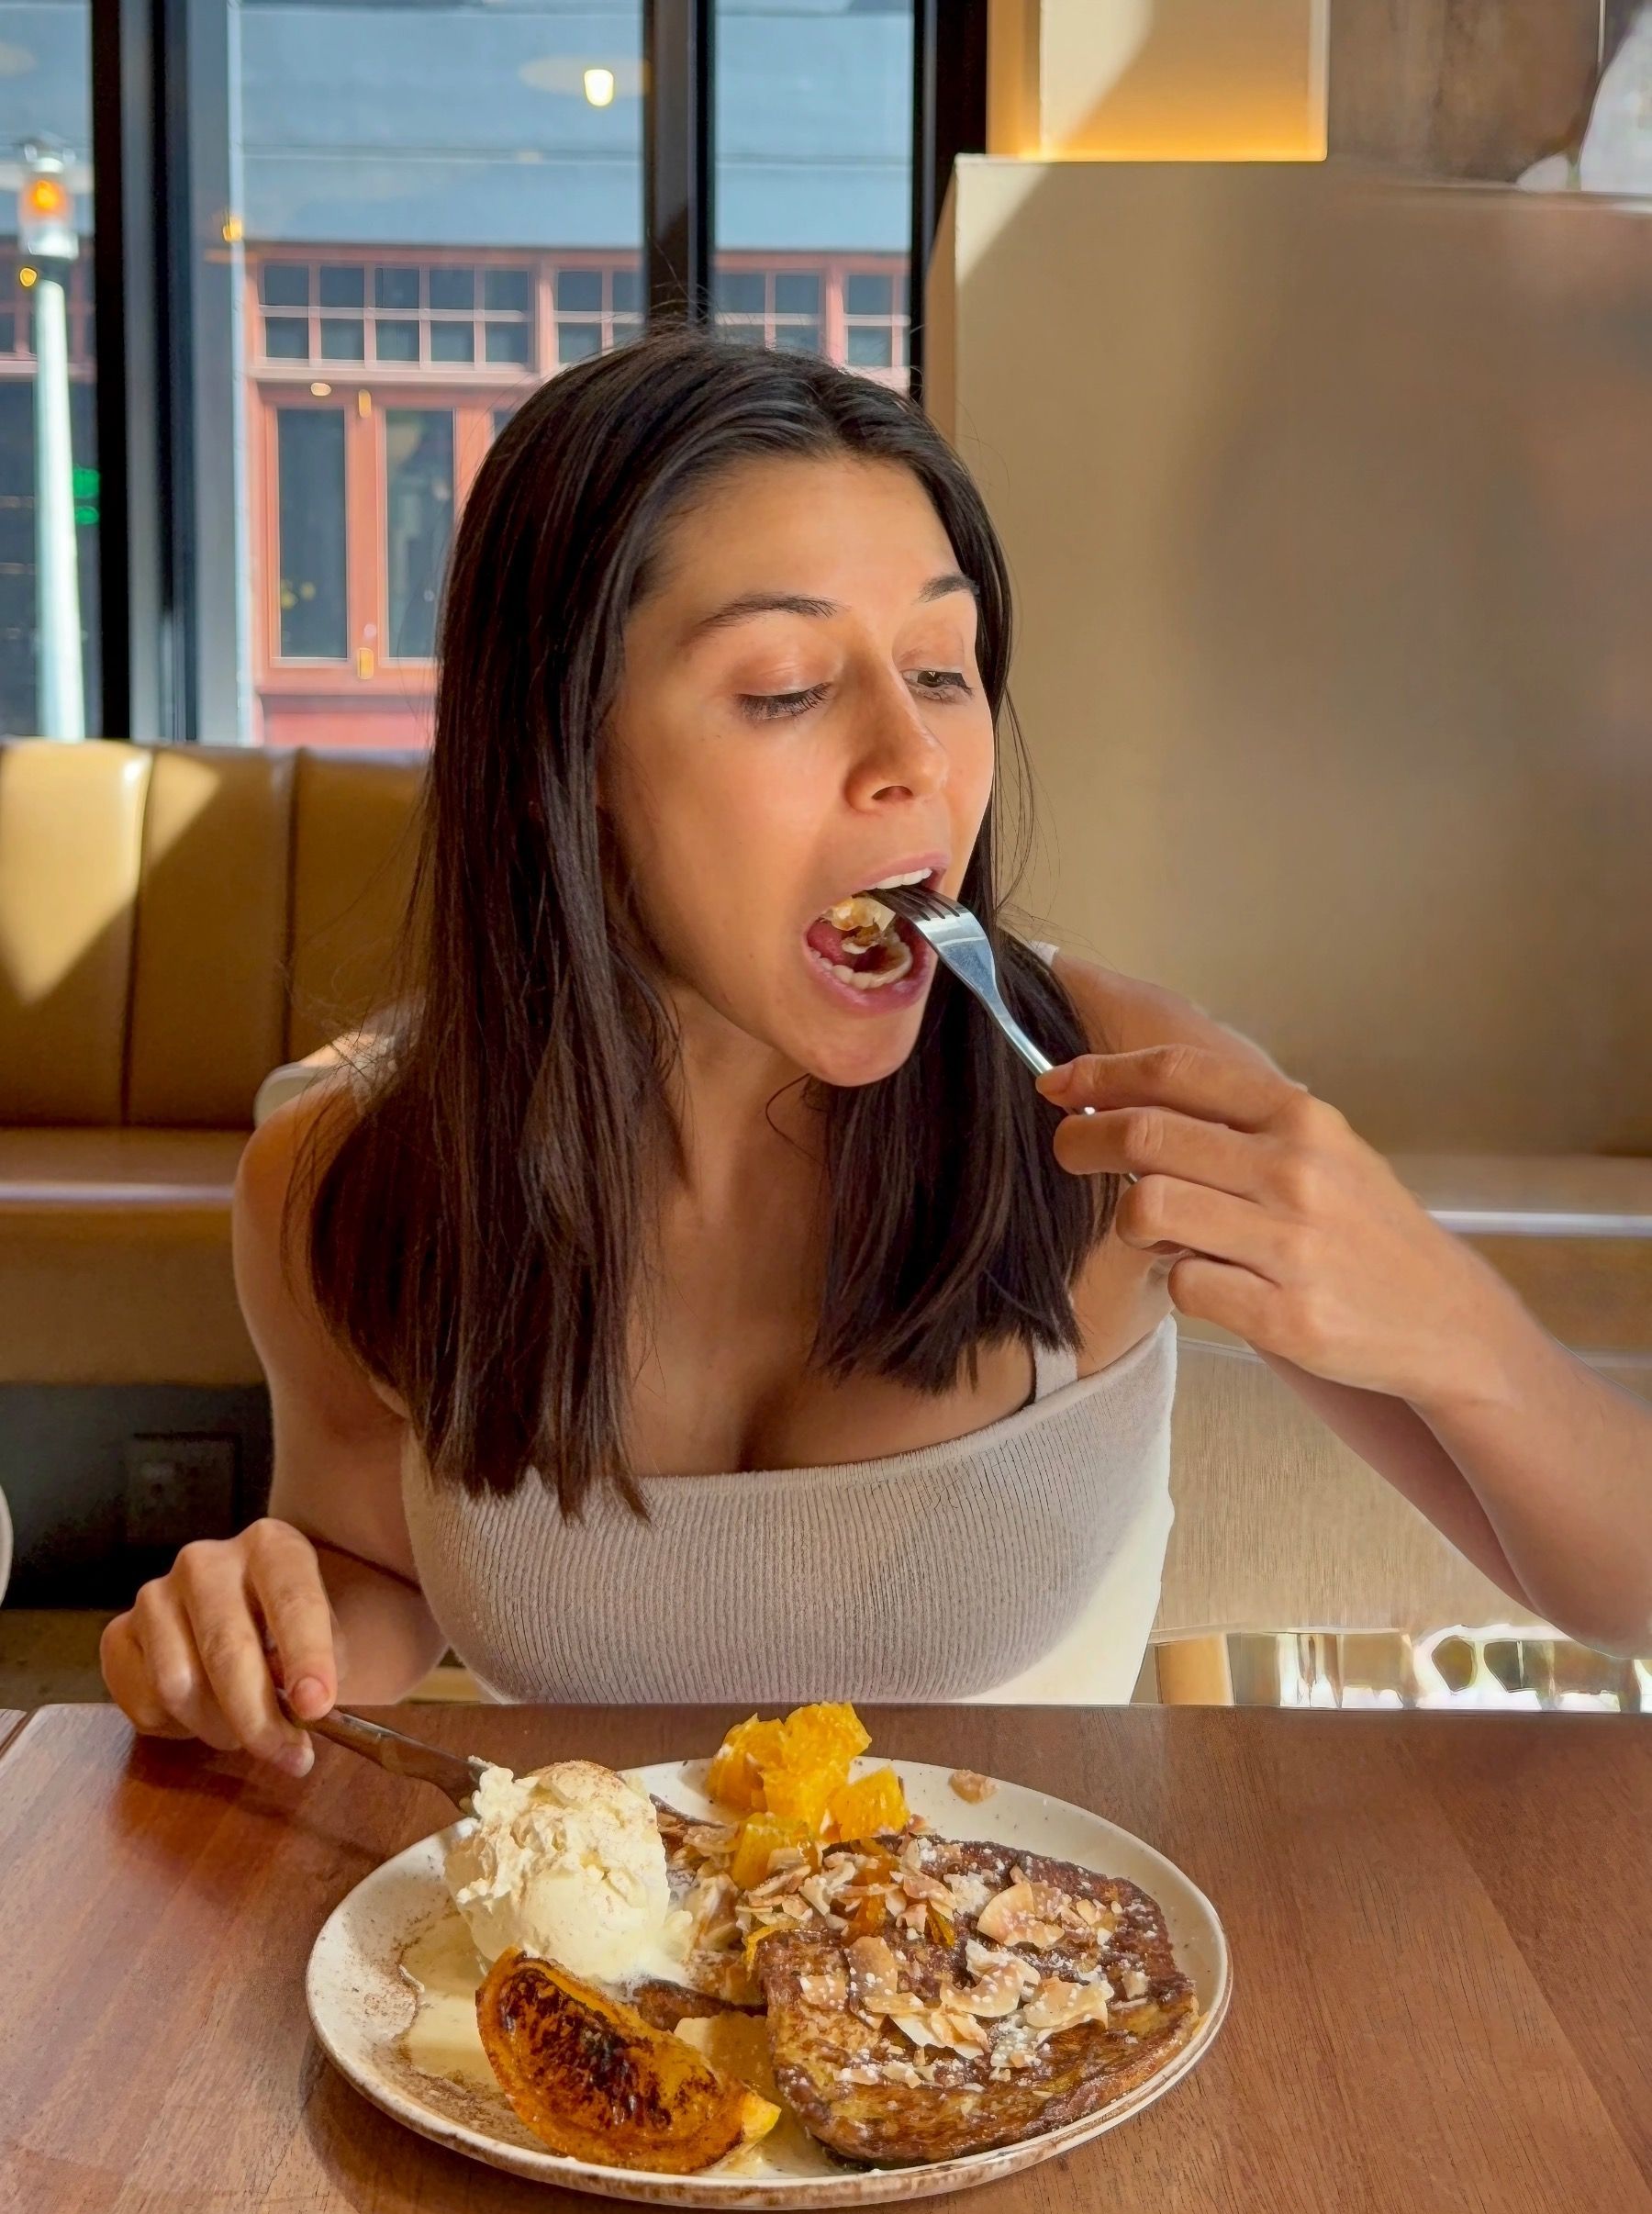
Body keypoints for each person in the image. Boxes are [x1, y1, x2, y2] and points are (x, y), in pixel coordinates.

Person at [102, 332, 1651, 1773]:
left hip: (1047, 2032)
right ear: (563, 760)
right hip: (621, 2042)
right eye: (784, 688)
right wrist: (261, 1628)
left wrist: (1454, 1322)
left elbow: (1628, 1584)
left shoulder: (1121, 1099)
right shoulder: (351, 1181)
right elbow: (377, 1572)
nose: (915, 764)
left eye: (942, 669)